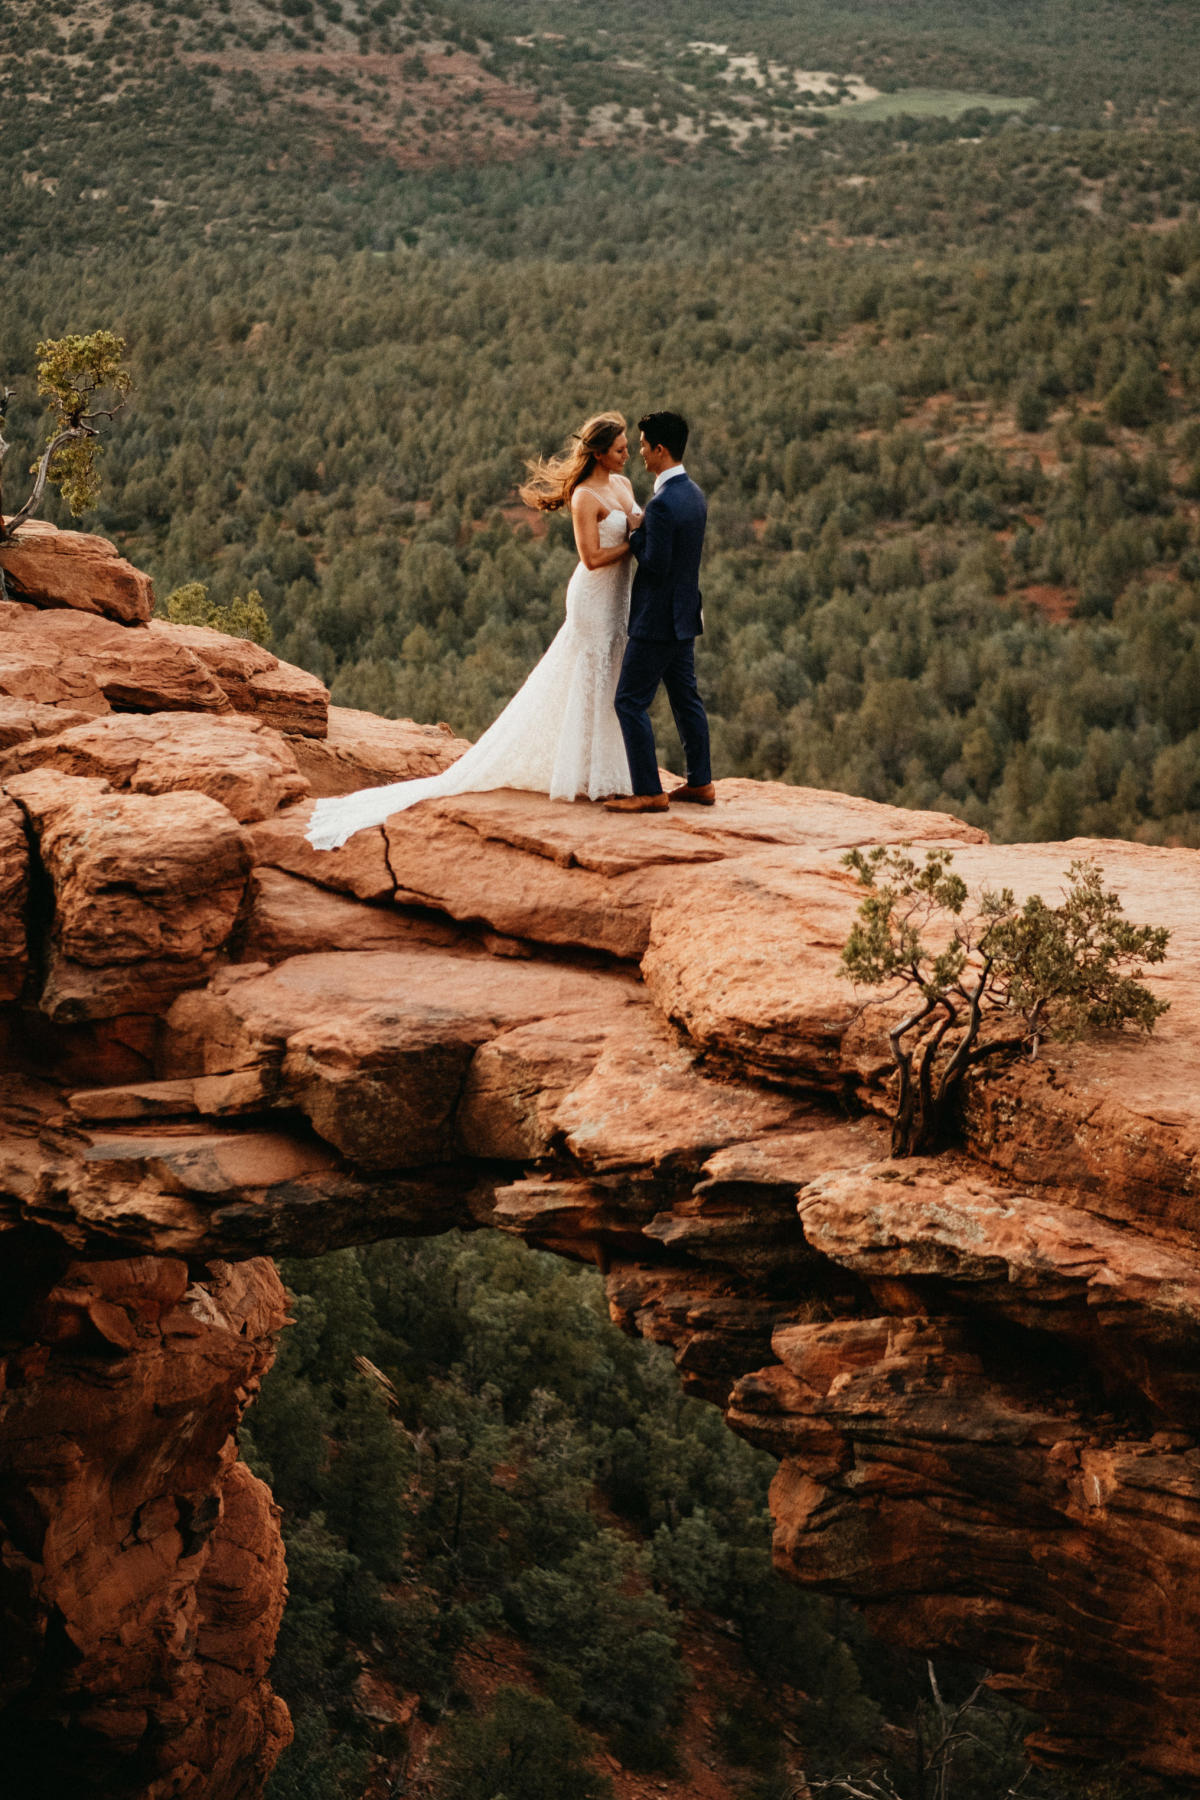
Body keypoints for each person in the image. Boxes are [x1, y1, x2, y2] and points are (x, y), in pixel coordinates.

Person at [305, 412, 640, 851]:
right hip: (593, 597)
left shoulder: (625, 486)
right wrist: (635, 542)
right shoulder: (583, 497)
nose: (627, 454)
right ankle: (590, 775)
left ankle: (603, 771)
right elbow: (592, 558)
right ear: (599, 453)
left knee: (611, 677)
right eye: (619, 449)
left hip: (620, 599)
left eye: (628, 448)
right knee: (588, 677)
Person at [605, 411, 714, 814]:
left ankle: (649, 791)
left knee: (629, 701)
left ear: (660, 450)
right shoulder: (695, 494)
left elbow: (655, 563)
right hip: (685, 616)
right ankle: (701, 783)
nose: (639, 452)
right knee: (687, 700)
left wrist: (635, 532)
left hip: (656, 621)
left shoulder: (665, 503)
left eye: (644, 445)